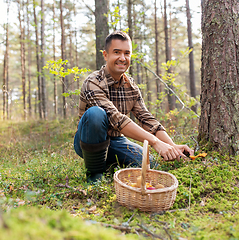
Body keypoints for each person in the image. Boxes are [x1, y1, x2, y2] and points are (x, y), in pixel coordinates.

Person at [74, 30, 194, 183]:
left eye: (127, 53)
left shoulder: (131, 86)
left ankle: (110, 163)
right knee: (96, 114)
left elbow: (147, 119)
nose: (122, 58)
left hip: (116, 141)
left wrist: (172, 146)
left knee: (152, 165)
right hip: (87, 141)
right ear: (105, 55)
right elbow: (117, 119)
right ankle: (95, 175)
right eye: (116, 52)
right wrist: (156, 143)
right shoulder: (93, 82)